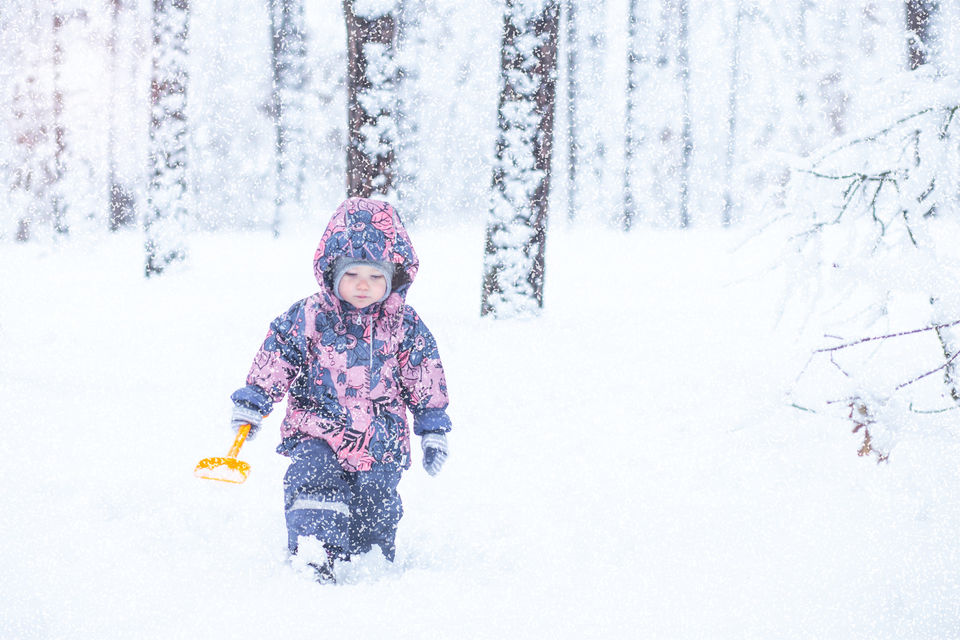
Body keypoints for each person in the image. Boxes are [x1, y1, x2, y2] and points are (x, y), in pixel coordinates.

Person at [229, 197, 452, 583]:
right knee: (314, 484)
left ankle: (370, 563)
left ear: (393, 278)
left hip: (381, 437)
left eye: (375, 276)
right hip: (318, 428)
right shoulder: (311, 315)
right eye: (352, 275)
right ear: (332, 272)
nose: (363, 286)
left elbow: (422, 372)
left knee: (376, 504)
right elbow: (279, 353)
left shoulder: (404, 324)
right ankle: (314, 553)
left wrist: (433, 427)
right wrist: (256, 399)